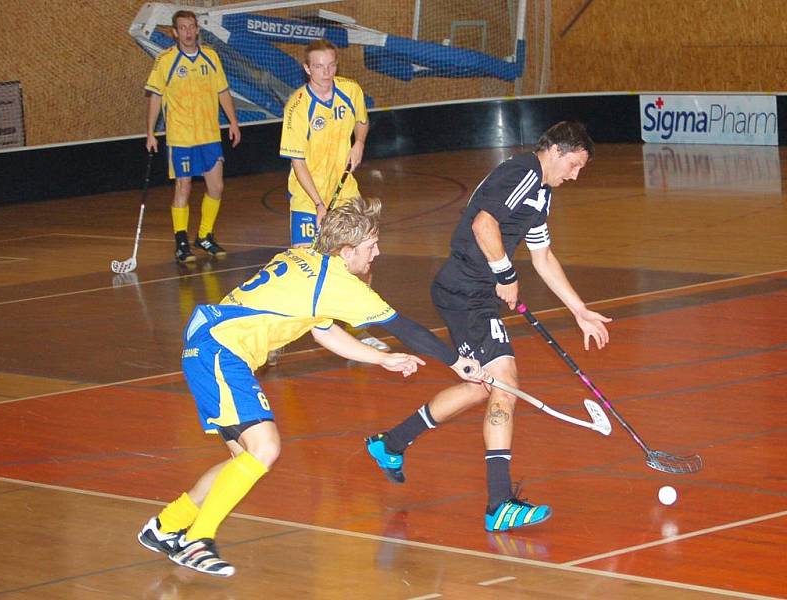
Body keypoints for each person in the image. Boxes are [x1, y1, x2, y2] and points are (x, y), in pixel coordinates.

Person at [136, 196, 484, 577]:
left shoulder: (301, 255)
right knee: (266, 447)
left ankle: (167, 525)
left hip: (206, 343)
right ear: (347, 250)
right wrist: (457, 362)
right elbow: (405, 328)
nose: (377, 253)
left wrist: (381, 359)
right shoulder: (338, 284)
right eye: (371, 247)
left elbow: (323, 331)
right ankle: (198, 540)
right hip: (222, 350)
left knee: (244, 459)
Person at [365, 121, 612, 532]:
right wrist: (503, 273)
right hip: (467, 294)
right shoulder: (523, 173)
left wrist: (579, 309)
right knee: (505, 383)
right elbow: (483, 223)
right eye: (574, 164)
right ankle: (499, 503)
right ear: (554, 150)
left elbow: (543, 256)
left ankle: (390, 444)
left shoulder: (540, 193)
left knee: (480, 386)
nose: (574, 174)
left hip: (470, 294)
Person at [277, 38, 388, 357]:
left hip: (346, 192)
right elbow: (297, 162)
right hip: (307, 197)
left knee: (363, 262)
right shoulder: (297, 107)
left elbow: (362, 123)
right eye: (319, 67)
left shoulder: (350, 91)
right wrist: (319, 204)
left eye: (332, 65)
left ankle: (359, 327)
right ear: (307, 68)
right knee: (306, 266)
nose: (327, 72)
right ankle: (282, 329)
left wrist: (359, 144)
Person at [145, 9, 241, 263]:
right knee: (183, 186)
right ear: (175, 32)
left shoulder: (210, 57)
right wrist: (151, 132)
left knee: (216, 187)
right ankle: (181, 241)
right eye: (183, 28)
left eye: (192, 27)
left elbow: (223, 91)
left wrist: (233, 122)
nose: (188, 32)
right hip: (181, 137)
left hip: (209, 134)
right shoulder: (165, 60)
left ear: (197, 29)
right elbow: (155, 97)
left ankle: (205, 235)